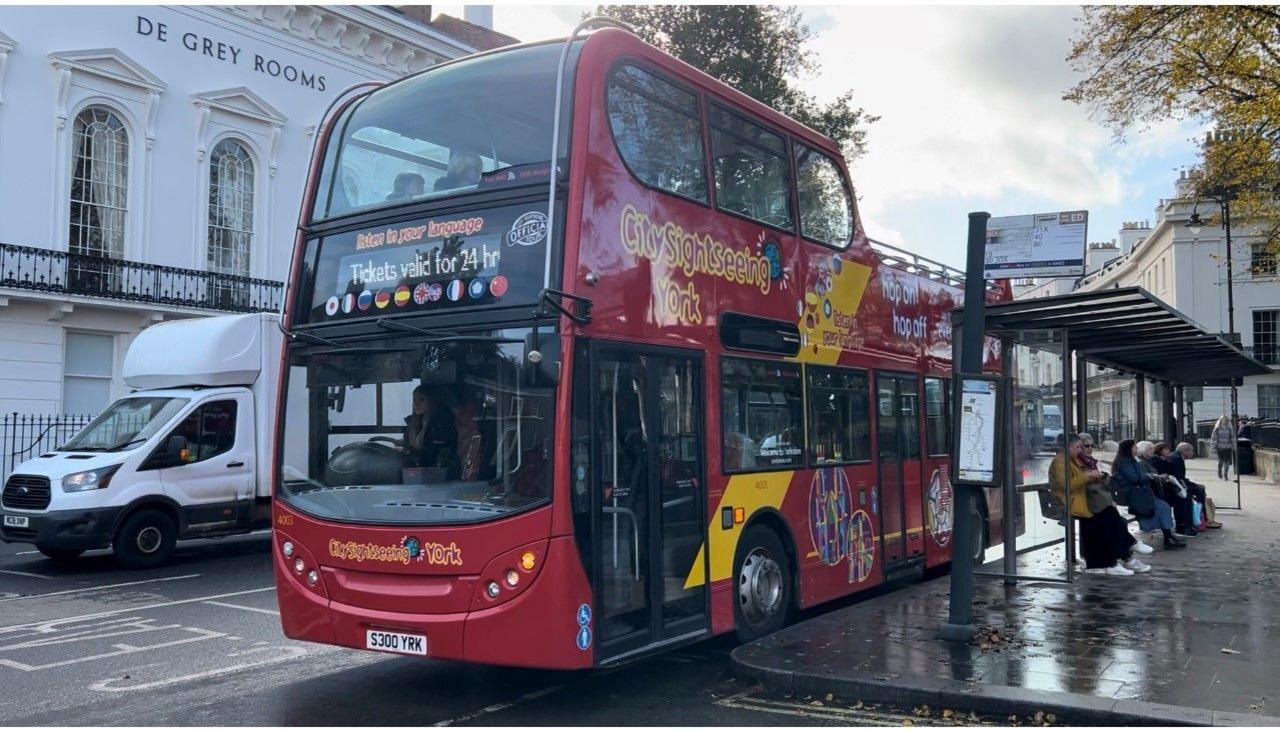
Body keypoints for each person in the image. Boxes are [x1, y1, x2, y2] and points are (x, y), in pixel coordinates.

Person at [1050, 433, 1149, 576]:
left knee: (1109, 517)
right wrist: (1089, 475)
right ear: (1069, 446)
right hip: (1074, 502)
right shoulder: (1062, 461)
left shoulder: (1069, 459)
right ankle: (1122, 554)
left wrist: (1096, 477)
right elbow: (1066, 484)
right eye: (1080, 447)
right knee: (1106, 520)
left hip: (1083, 500)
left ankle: (1115, 558)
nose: (1081, 450)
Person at [1117, 440, 1184, 549]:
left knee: (1164, 505)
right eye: (1134, 447)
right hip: (1136, 495)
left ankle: (1168, 537)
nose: (1136, 449)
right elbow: (1135, 478)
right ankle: (1168, 538)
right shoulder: (1128, 462)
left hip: (1140, 492)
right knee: (1163, 506)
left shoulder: (1133, 461)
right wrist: (1153, 476)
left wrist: (1155, 477)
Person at [403, 385, 458, 476]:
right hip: (413, 474)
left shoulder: (442, 426)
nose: (416, 404)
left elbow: (440, 453)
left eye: (421, 399)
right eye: (414, 400)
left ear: (432, 401)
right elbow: (408, 446)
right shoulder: (412, 424)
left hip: (434, 475)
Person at [1150, 442, 1197, 537]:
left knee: (1185, 498)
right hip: (1160, 491)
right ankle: (1182, 528)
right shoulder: (1155, 461)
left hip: (1168, 488)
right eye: (1165, 449)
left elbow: (1174, 475)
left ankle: (1186, 526)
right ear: (1159, 451)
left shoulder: (1168, 461)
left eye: (1168, 449)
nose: (1168, 451)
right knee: (1183, 500)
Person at [1174, 442, 1223, 529]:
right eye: (1191, 451)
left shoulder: (1178, 458)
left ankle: (1204, 518)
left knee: (1200, 489)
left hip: (1178, 484)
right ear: (1184, 451)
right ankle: (1203, 519)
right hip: (1176, 487)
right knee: (1199, 491)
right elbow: (1179, 478)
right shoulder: (1177, 459)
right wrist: (1195, 485)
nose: (1192, 453)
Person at [1211, 415, 1234, 479]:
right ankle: (1219, 471)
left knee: (1227, 461)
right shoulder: (1217, 429)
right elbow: (1214, 438)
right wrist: (1213, 447)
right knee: (1221, 461)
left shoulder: (1230, 429)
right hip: (1220, 447)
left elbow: (1232, 438)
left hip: (1228, 447)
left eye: (1226, 420)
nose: (1225, 421)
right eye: (1223, 420)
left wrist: (1234, 446)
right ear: (1220, 421)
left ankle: (1225, 474)